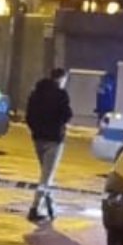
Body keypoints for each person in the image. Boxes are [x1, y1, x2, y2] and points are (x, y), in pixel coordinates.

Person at [25, 68, 73, 222]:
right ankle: (34, 208)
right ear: (62, 79)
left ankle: (50, 206)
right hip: (54, 140)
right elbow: (67, 115)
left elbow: (28, 116)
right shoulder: (61, 95)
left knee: (46, 175)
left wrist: (36, 129)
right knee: (47, 176)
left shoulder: (36, 93)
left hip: (38, 138)